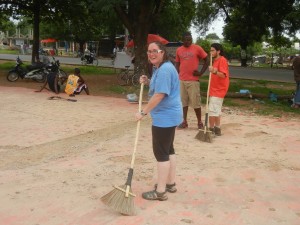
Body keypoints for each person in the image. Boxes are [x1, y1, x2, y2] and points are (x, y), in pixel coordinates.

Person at [136, 41, 182, 201]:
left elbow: (159, 95)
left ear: (162, 52)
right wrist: (148, 81)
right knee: (169, 150)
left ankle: (161, 191)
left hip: (165, 118)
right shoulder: (161, 68)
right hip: (170, 116)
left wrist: (143, 112)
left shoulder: (164, 70)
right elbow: (160, 87)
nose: (151, 54)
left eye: (155, 51)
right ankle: (170, 183)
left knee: (161, 153)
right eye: (149, 51)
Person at [175, 31, 209, 129]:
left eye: (190, 39)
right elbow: (177, 63)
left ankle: (199, 122)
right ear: (183, 40)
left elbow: (207, 59)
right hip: (181, 80)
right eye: (186, 40)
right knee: (183, 103)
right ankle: (184, 122)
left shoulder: (197, 48)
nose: (188, 41)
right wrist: (177, 75)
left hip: (193, 80)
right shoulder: (179, 50)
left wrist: (201, 73)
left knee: (196, 103)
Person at [208, 43, 230, 136]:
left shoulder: (222, 60)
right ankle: (217, 129)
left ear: (218, 51)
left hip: (219, 90)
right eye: (211, 50)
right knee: (216, 110)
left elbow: (223, 75)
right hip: (214, 89)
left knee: (211, 111)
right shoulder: (215, 61)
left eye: (213, 50)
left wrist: (214, 71)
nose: (211, 52)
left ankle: (211, 129)